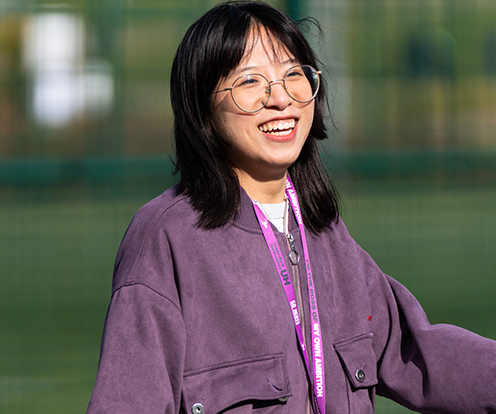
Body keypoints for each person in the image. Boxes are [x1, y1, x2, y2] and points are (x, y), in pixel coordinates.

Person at [86, 2, 496, 413]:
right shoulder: (167, 237)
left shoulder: (323, 231)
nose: (280, 98)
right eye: (250, 81)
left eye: (293, 74)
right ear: (204, 113)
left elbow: (411, 349)